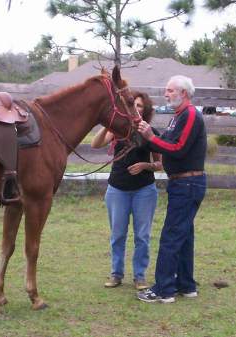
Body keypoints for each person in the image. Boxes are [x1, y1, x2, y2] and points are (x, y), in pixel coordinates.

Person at [136, 75, 207, 303]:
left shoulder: (191, 115)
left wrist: (150, 137)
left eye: (169, 91)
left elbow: (177, 149)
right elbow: (164, 140)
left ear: (183, 93)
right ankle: (186, 286)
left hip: (187, 184)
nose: (166, 94)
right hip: (183, 183)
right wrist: (147, 133)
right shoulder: (178, 117)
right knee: (184, 236)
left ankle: (164, 289)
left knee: (171, 236)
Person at [91, 91, 162, 291]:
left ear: (145, 111)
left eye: (140, 106)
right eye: (134, 105)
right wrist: (108, 124)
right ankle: (116, 274)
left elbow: (159, 164)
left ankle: (140, 277)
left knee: (142, 236)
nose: (136, 109)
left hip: (144, 191)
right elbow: (95, 144)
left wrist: (144, 166)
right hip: (117, 190)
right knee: (118, 234)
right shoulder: (118, 131)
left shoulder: (150, 132)